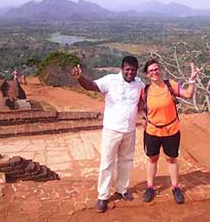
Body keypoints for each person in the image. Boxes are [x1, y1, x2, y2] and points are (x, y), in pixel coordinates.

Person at [71, 56, 144, 213]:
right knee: (107, 163)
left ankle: (122, 189)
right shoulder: (111, 80)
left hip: (130, 130)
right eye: (127, 69)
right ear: (122, 69)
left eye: (132, 70)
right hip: (112, 129)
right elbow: (92, 86)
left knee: (126, 161)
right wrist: (80, 78)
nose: (130, 72)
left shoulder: (139, 84)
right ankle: (103, 196)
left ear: (136, 70)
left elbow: (142, 102)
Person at [141, 59, 200, 204]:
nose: (154, 72)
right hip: (152, 131)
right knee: (152, 158)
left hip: (171, 130)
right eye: (150, 71)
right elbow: (142, 108)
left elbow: (188, 94)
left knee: (171, 159)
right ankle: (150, 187)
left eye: (156, 69)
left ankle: (175, 187)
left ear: (160, 70)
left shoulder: (170, 85)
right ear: (147, 74)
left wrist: (191, 80)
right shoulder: (145, 90)